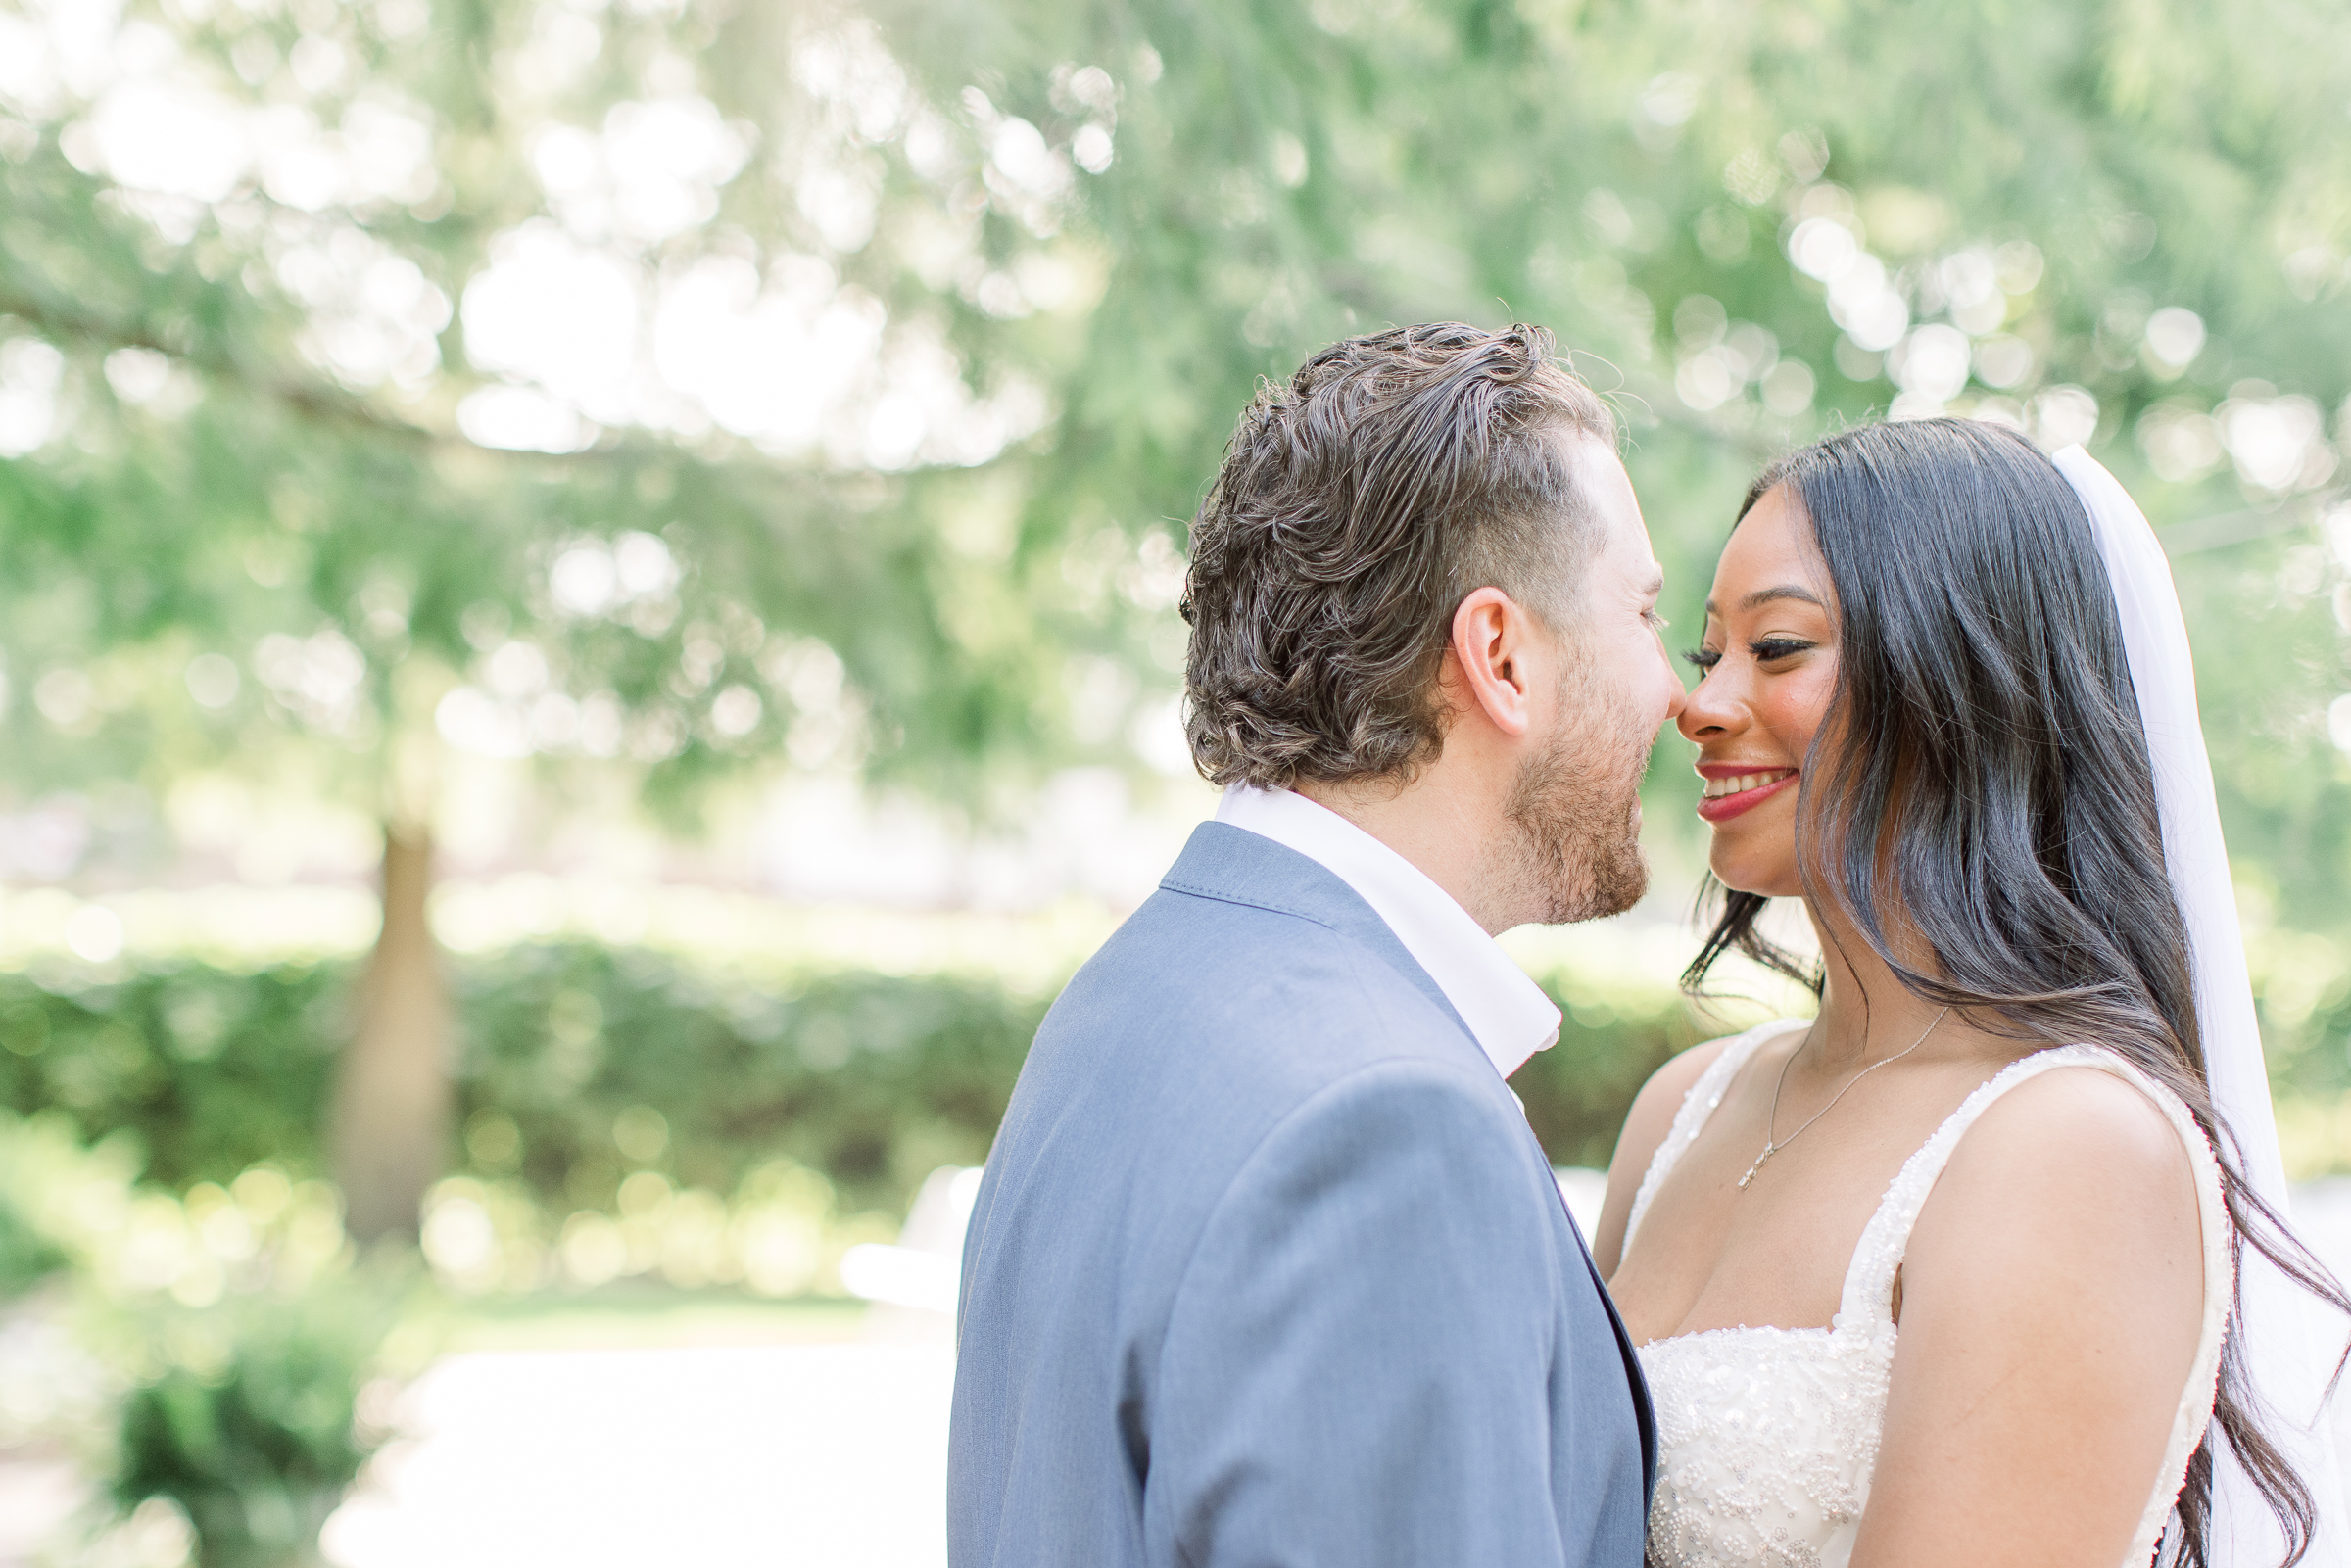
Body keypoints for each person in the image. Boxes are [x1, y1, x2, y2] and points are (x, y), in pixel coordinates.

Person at [948, 322, 1683, 1567]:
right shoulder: (1389, 1126)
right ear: (1500, 656)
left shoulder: (1136, 991)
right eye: (1647, 614)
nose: (1676, 689)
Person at [1593, 418, 2351, 1568]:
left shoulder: (2071, 1145)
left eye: (1780, 646)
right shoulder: (1683, 1106)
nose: (1700, 705)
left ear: (1961, 679)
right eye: (1709, 657)